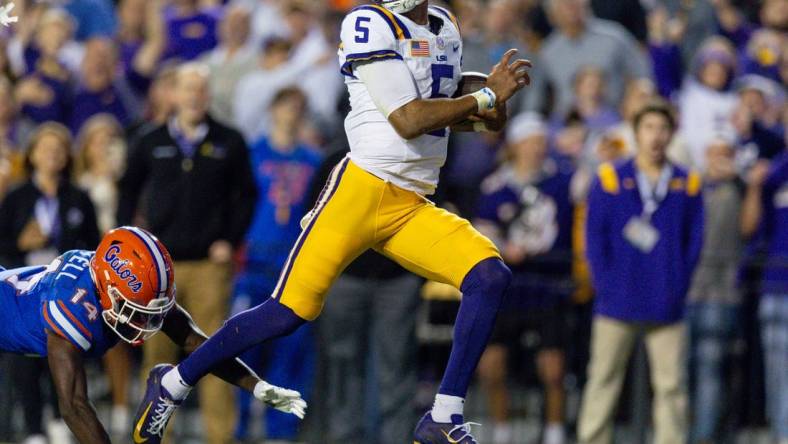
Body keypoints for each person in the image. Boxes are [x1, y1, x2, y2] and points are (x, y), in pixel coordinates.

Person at [132, 0, 532, 443]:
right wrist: (485, 96)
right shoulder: (369, 22)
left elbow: (472, 118)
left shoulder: (442, 24)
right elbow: (408, 119)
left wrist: (495, 103)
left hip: (413, 202)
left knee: (490, 276)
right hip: (361, 191)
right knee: (288, 311)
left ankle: (443, 414)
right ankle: (172, 383)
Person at [0, 226, 306, 444]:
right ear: (106, 290)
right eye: (136, 309)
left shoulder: (117, 282)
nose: (147, 320)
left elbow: (198, 344)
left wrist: (255, 385)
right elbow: (74, 407)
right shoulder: (69, 305)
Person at [118, 62, 257, 444]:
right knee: (157, 358)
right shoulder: (148, 140)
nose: (194, 96)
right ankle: (154, 437)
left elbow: (247, 195)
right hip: (156, 270)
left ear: (207, 94)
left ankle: (220, 437)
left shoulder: (230, 140)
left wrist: (230, 239)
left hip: (209, 266)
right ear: (173, 94)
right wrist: (130, 243)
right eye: (187, 88)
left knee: (214, 353)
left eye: (200, 89)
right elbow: (127, 191)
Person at [577, 101, 703, 444]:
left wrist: (678, 285)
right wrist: (605, 286)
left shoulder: (688, 182)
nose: (656, 137)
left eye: (662, 129)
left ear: (672, 134)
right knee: (603, 380)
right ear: (635, 134)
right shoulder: (609, 178)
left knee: (671, 386)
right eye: (648, 128)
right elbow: (594, 238)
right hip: (615, 301)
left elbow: (694, 243)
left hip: (667, 301)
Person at [475, 113, 575, 444]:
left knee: (553, 367)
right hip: (507, 285)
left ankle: (554, 432)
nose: (536, 148)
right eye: (530, 142)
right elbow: (481, 232)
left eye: (541, 142)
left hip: (547, 284)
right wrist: (505, 248)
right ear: (516, 145)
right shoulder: (495, 186)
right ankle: (501, 431)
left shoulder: (562, 182)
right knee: (492, 364)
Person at [230, 87, 321, 442]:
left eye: (299, 107)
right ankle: (237, 428)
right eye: (285, 105)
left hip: (293, 263)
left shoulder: (313, 161)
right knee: (240, 351)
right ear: (272, 109)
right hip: (253, 262)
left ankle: (281, 432)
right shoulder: (251, 155)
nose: (291, 113)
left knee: (291, 354)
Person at [0, 122, 99, 444]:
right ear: (32, 154)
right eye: (46, 148)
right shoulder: (16, 196)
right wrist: (20, 243)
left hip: (67, 296)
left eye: (58, 150)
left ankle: (60, 420)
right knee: (24, 361)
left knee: (62, 359)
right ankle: (33, 430)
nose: (52, 155)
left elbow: (93, 249)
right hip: (25, 293)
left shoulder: (79, 197)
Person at [686, 137, 745, 443]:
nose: (719, 161)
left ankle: (702, 437)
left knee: (710, 371)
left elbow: (749, 227)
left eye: (725, 155)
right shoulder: (690, 187)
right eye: (713, 153)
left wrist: (741, 181)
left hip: (720, 294)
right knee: (678, 372)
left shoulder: (739, 189)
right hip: (685, 290)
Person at [741, 153, 788, 444]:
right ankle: (782, 433)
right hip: (777, 286)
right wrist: (756, 187)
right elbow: (749, 228)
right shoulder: (774, 171)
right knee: (777, 371)